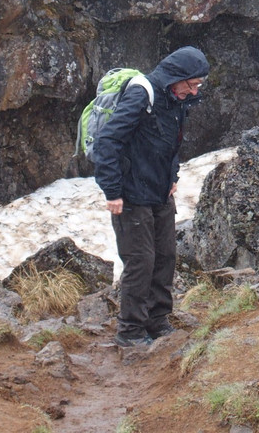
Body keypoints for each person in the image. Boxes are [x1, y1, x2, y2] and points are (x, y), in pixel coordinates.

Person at [90, 46, 210, 347]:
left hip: (159, 191)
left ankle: (157, 321)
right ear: (176, 77)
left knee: (166, 257)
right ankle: (130, 332)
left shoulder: (177, 99)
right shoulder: (142, 95)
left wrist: (172, 177)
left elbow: (171, 142)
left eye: (198, 85)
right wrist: (113, 191)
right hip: (130, 195)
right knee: (140, 261)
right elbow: (108, 142)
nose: (194, 91)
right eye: (191, 84)